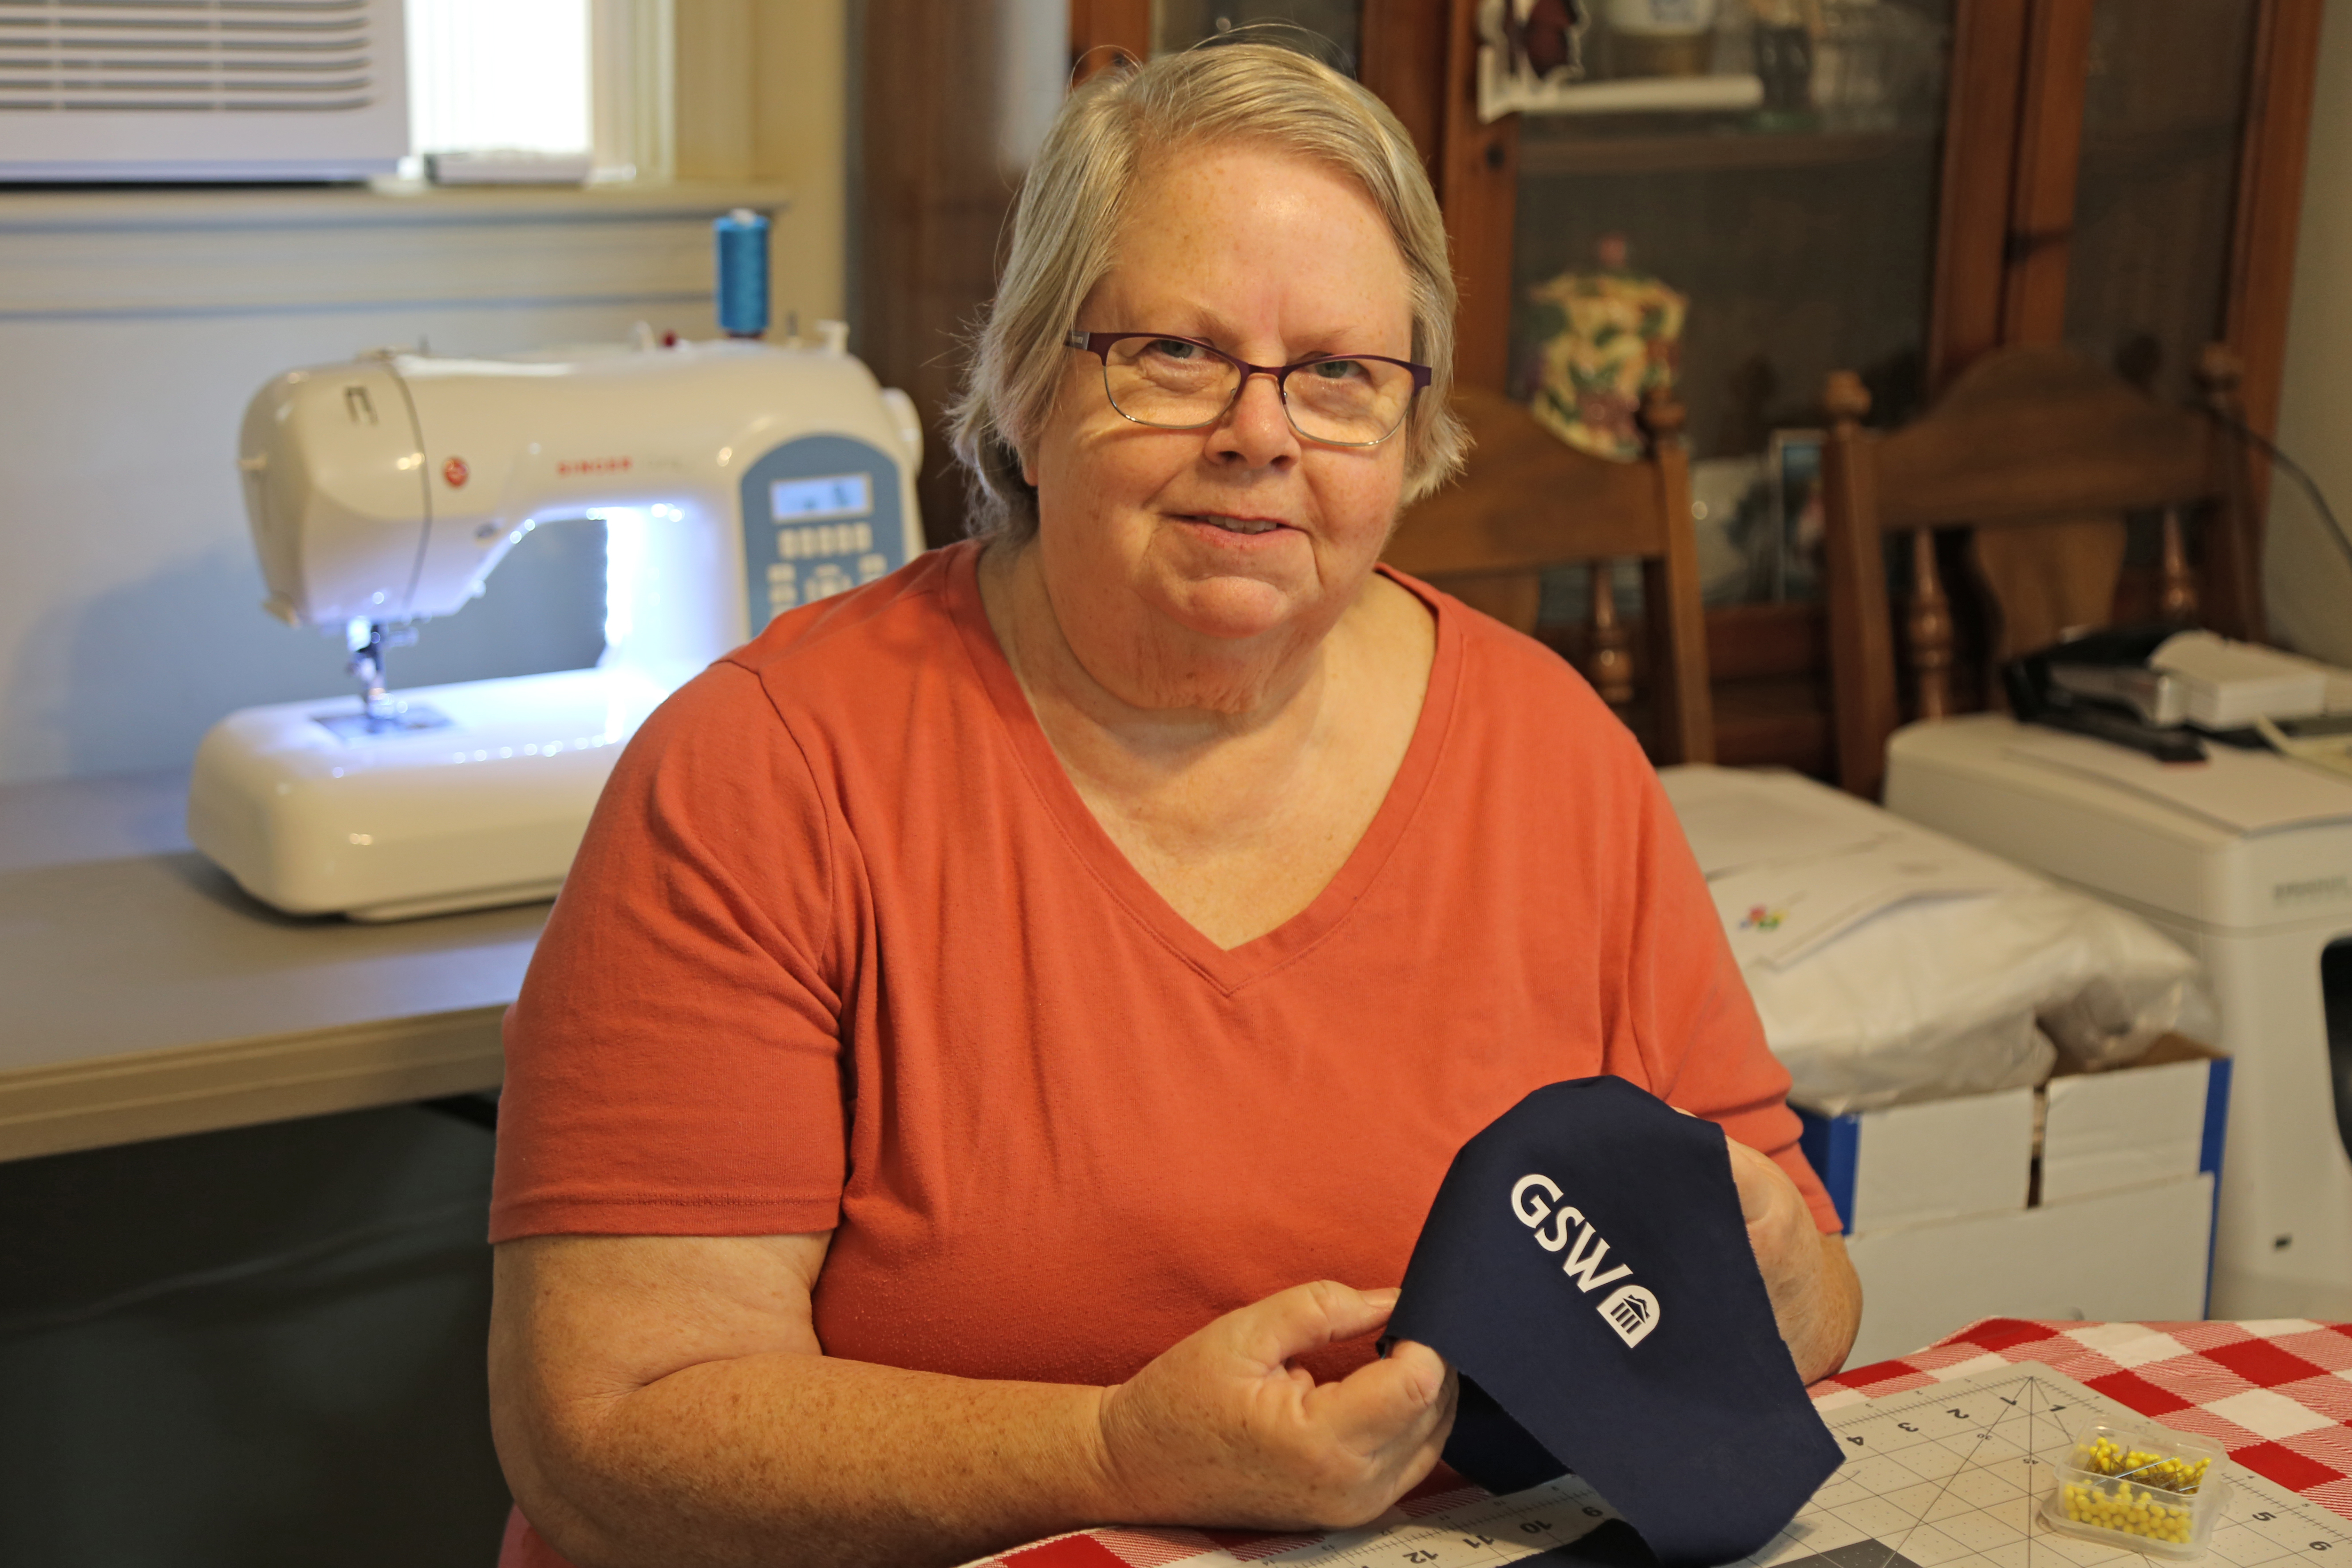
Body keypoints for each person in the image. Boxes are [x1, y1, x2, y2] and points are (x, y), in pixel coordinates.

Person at [485, 43, 1860, 1568]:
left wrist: (1778, 1281)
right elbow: (605, 1437)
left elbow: (1799, 1279)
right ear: (1022, 381)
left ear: (1411, 436)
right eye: (1174, 354)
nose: (1260, 433)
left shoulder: (1551, 750)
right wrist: (1108, 1452)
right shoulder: (763, 774)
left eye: (1339, 376)